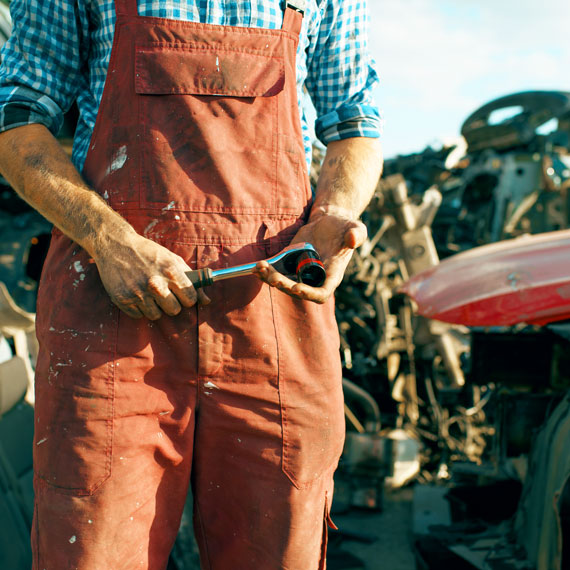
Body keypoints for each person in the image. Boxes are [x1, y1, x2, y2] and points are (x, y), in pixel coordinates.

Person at [0, 0, 383, 568]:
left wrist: (333, 215)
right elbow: (15, 119)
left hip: (272, 311)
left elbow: (355, 122)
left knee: (278, 545)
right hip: (112, 316)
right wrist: (108, 240)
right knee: (95, 546)